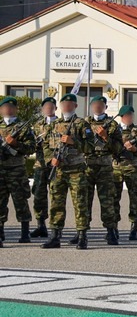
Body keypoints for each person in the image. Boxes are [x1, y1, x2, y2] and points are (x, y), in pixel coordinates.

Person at [42, 92, 93, 250]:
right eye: (64, 104)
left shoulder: (81, 124)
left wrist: (74, 141)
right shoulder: (54, 124)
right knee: (56, 203)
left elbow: (91, 147)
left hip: (76, 170)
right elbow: (46, 145)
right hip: (58, 170)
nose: (66, 106)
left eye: (70, 104)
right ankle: (55, 236)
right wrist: (51, 159)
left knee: (80, 204)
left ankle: (82, 236)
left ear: (75, 106)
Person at [84, 95, 123, 245]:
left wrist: (106, 137)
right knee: (84, 200)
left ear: (105, 107)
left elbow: (119, 149)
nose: (97, 107)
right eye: (95, 104)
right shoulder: (84, 123)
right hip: (87, 167)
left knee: (107, 201)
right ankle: (82, 231)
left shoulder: (113, 125)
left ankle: (111, 231)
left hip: (105, 168)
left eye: (100, 105)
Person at [0, 95, 35, 245]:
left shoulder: (23, 127)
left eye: (11, 107)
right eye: (5, 107)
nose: (8, 110)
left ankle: (25, 232)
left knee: (20, 201)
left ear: (16, 109)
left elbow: (31, 148)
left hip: (17, 170)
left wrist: (15, 144)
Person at [112, 104, 137, 241]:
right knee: (114, 198)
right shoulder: (113, 131)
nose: (130, 118)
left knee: (134, 198)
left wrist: (134, 149)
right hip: (116, 168)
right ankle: (113, 228)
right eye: (127, 115)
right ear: (122, 117)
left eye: (131, 115)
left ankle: (134, 227)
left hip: (133, 168)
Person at [30, 96, 57, 238]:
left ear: (56, 108)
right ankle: (41, 225)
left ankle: (55, 227)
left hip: (55, 165)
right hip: (40, 165)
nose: (48, 109)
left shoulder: (60, 124)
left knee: (56, 196)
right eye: (46, 107)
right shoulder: (37, 125)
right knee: (39, 195)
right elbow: (30, 145)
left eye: (51, 106)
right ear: (42, 109)